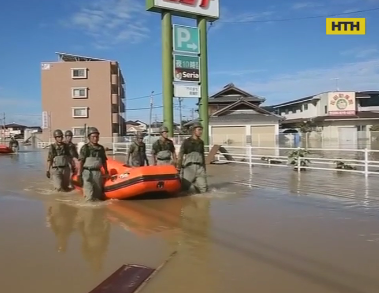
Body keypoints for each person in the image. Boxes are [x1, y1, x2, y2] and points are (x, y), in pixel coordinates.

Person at [77, 127, 109, 201]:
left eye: (97, 136)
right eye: (93, 137)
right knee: (89, 195)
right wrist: (79, 174)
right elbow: (81, 161)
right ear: (89, 137)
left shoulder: (100, 148)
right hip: (87, 172)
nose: (95, 138)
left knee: (97, 196)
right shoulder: (85, 148)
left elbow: (104, 161)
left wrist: (106, 172)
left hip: (97, 173)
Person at [177, 122, 208, 193]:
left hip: (200, 168)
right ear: (194, 130)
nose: (201, 132)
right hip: (189, 167)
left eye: (201, 130)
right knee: (184, 189)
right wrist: (178, 167)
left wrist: (204, 168)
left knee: (204, 189)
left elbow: (202, 155)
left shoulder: (201, 142)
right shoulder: (186, 142)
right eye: (199, 130)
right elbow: (180, 155)